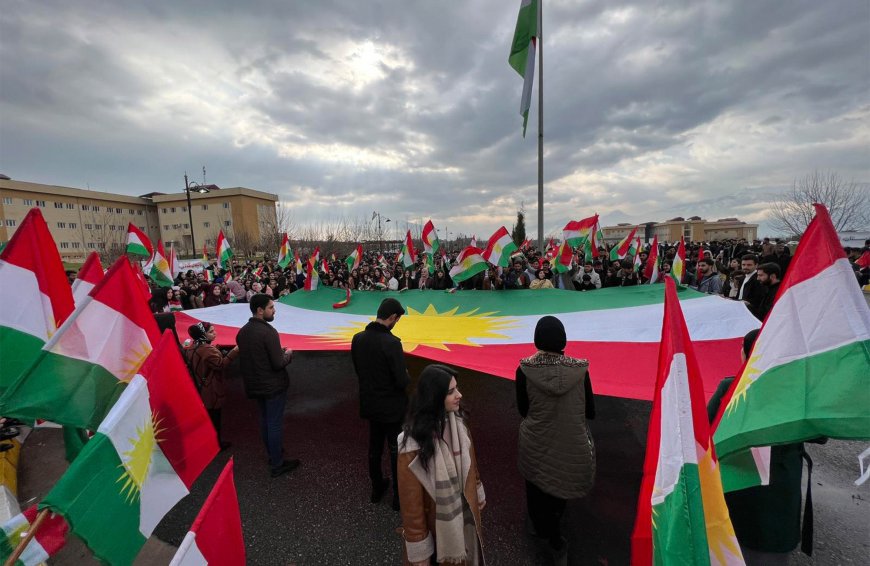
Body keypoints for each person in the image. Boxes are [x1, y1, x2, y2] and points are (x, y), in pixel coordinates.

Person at [707, 329, 819, 565]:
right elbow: (821, 432)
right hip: (779, 502)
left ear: (747, 355)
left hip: (738, 493)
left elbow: (705, 433)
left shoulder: (730, 389)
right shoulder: (798, 396)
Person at [516, 316, 595, 565]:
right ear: (563, 340)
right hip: (571, 440)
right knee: (559, 485)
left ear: (537, 340)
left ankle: (541, 527)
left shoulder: (524, 370)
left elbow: (523, 409)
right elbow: (590, 411)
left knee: (537, 485)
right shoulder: (580, 371)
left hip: (535, 440)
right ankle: (556, 535)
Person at [398, 364, 486, 566]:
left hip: (466, 518)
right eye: (451, 392)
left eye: (457, 388)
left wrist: (477, 487)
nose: (459, 395)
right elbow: (412, 507)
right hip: (438, 531)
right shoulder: (411, 445)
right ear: (434, 397)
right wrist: (419, 549)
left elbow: (471, 464)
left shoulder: (460, 425)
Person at [351, 298, 410, 511]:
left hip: (370, 404)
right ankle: (398, 498)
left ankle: (377, 489)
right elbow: (401, 381)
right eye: (397, 320)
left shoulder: (357, 339)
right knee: (396, 450)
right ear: (392, 317)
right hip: (392, 408)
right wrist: (406, 376)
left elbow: (359, 370)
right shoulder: (392, 343)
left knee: (374, 448)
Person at [236, 293, 299, 477]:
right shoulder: (268, 332)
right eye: (271, 307)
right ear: (260, 310)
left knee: (265, 421)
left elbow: (256, 357)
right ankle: (277, 463)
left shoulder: (242, 332)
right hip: (272, 386)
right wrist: (288, 354)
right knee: (274, 424)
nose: (274, 310)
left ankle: (273, 454)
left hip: (255, 385)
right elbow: (278, 363)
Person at [185, 322, 238, 450]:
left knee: (210, 417)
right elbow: (221, 364)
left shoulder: (192, 347)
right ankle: (217, 444)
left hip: (201, 386)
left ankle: (212, 442)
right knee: (215, 417)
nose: (215, 333)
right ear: (203, 335)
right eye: (211, 331)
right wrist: (235, 351)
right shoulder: (207, 350)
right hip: (211, 388)